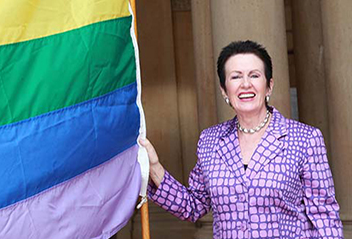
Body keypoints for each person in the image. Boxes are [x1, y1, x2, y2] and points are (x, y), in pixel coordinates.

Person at [140, 40, 343, 238]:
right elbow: (193, 206)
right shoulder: (210, 141)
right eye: (236, 77)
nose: (246, 84)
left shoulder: (305, 139)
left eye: (254, 75)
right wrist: (155, 167)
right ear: (224, 89)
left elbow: (324, 217)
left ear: (269, 86)